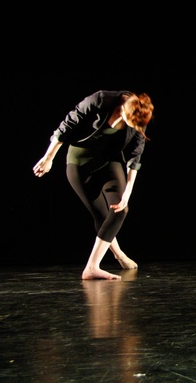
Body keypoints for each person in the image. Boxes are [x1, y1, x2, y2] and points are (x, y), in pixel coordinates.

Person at [33, 90, 154, 281]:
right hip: (80, 164)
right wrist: (49, 158)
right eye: (131, 123)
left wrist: (128, 191)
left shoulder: (139, 113)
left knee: (120, 209)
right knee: (101, 215)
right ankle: (115, 255)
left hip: (109, 161)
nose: (135, 128)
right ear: (122, 109)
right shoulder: (100, 100)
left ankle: (92, 267)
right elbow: (67, 125)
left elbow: (135, 155)